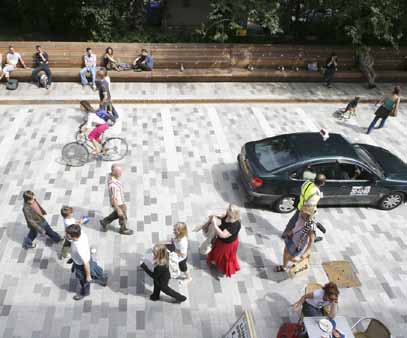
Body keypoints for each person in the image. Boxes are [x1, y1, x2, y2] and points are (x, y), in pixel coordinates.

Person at [65, 224, 107, 300]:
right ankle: (102, 279)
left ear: (73, 236)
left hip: (81, 266)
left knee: (83, 280)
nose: (66, 235)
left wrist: (88, 276)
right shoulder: (81, 234)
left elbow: (86, 263)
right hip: (83, 259)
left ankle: (84, 293)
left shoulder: (80, 248)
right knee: (95, 269)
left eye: (67, 234)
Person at [282, 174, 326, 239]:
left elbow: (302, 189)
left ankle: (285, 234)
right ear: (322, 183)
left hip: (300, 205)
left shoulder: (307, 183)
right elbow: (310, 205)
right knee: (308, 226)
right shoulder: (316, 193)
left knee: (293, 221)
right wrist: (310, 215)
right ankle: (310, 239)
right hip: (305, 210)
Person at [206, 204, 241, 277]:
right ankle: (215, 261)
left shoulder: (234, 225)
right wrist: (213, 216)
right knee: (216, 251)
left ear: (234, 213)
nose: (227, 210)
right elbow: (221, 215)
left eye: (229, 210)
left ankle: (224, 268)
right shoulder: (227, 215)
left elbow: (222, 235)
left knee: (224, 257)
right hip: (221, 240)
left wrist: (214, 224)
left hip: (228, 244)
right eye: (228, 208)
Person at [100, 164, 133, 235]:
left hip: (119, 201)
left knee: (117, 214)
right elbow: (113, 199)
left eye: (121, 171)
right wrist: (118, 209)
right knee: (122, 216)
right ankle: (123, 229)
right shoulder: (113, 185)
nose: (121, 173)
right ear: (114, 172)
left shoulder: (111, 176)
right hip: (118, 203)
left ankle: (104, 221)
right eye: (119, 172)